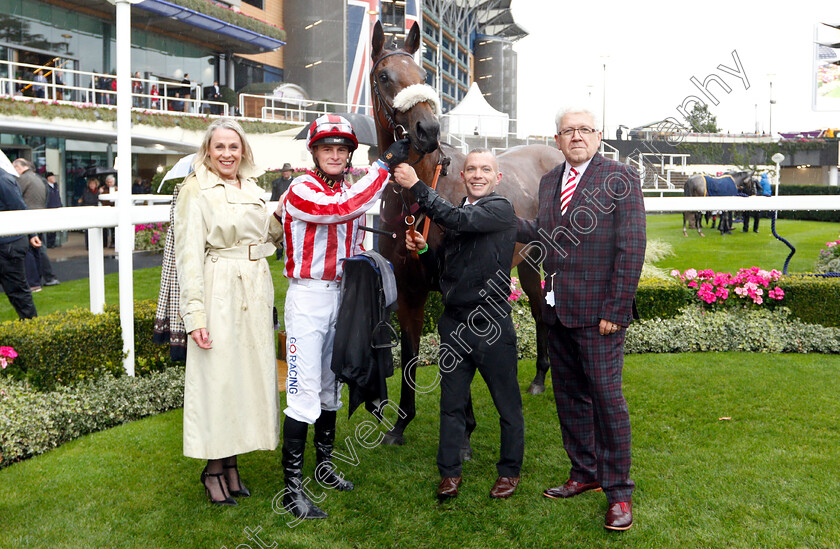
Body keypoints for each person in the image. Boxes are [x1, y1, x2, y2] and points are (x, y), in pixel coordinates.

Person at [516, 108, 646, 531]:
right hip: (558, 313)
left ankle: (619, 493)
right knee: (569, 397)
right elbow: (546, 232)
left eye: (584, 130)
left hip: (599, 316)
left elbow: (632, 248)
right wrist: (495, 217)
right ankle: (584, 472)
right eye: (568, 131)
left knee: (607, 401)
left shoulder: (620, 177)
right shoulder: (550, 180)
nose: (576, 136)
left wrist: (616, 308)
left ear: (598, 136)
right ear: (557, 140)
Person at [275, 114, 409, 520]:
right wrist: (384, 165)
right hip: (309, 299)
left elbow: (357, 210)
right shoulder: (301, 188)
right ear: (314, 153)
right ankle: (292, 490)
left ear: (349, 155)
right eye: (326, 148)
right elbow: (340, 209)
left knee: (331, 385)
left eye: (341, 149)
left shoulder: (351, 186)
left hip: (344, 299)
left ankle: (324, 467)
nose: (334, 155)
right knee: (302, 392)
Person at [393, 149, 525, 501]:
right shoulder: (456, 215)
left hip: (491, 326)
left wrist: (417, 186)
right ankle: (449, 473)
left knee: (507, 405)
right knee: (450, 405)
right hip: (454, 324)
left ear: (497, 178)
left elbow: (457, 220)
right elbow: (442, 271)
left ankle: (509, 472)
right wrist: (422, 250)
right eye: (471, 169)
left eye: (486, 169)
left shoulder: (500, 209)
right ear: (462, 176)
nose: (478, 174)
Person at [174, 118, 283, 506]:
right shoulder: (194, 189)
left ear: (243, 151)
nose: (227, 154)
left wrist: (283, 218)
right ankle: (213, 470)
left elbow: (265, 234)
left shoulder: (253, 187)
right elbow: (188, 257)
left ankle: (233, 466)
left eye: (233, 147)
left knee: (244, 380)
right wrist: (196, 317)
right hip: (219, 285)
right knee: (218, 381)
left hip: (255, 287)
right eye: (219, 147)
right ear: (208, 150)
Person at [12, 159, 59, 290]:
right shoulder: (38, 179)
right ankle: (46, 278)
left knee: (32, 250)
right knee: (39, 249)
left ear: (19, 167)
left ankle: (42, 279)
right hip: (39, 216)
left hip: (28, 218)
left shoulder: (24, 179)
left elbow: (14, 195)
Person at [0, 169, 39, 319]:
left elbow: (20, 208)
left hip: (8, 246)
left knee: (18, 294)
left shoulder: (3, 180)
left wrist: (32, 234)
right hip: (8, 244)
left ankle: (32, 333)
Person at [44, 172, 63, 248]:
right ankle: (49, 242)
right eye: (52, 177)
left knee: (55, 226)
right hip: (50, 208)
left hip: (56, 208)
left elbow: (58, 197)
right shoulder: (46, 187)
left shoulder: (56, 186)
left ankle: (54, 241)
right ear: (48, 178)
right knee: (50, 227)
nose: (54, 178)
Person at [100, 175, 117, 248]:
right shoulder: (103, 189)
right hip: (105, 210)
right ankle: (104, 243)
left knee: (114, 228)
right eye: (108, 182)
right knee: (104, 228)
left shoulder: (116, 189)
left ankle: (113, 242)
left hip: (114, 210)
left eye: (111, 182)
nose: (109, 183)